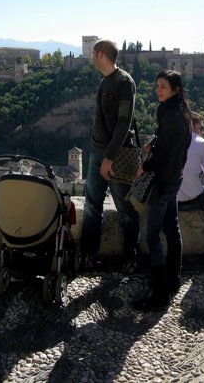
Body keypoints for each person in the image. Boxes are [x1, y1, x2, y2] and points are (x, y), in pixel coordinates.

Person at [133, 71, 192, 310]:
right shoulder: (183, 113)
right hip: (174, 178)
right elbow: (177, 146)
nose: (158, 90)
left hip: (162, 181)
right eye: (157, 85)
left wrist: (145, 166)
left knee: (152, 236)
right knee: (172, 228)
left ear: (175, 90)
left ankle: (159, 295)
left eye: (164, 87)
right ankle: (173, 278)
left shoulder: (169, 115)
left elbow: (164, 154)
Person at [81, 39, 140, 273]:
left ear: (101, 54)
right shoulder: (105, 80)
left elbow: (124, 124)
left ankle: (131, 256)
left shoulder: (124, 82)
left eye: (93, 53)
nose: (91, 57)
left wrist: (109, 157)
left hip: (115, 154)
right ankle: (88, 253)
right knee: (91, 204)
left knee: (125, 207)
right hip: (97, 151)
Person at [177, 113, 204, 211]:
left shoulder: (170, 139)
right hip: (194, 202)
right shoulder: (200, 142)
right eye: (201, 128)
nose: (203, 132)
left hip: (172, 203)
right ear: (192, 126)